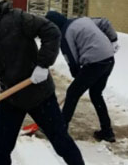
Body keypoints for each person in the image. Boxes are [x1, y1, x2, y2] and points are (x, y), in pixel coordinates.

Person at [0, 2, 85, 165]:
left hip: (40, 95)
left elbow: (51, 31)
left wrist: (43, 64)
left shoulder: (15, 20)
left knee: (62, 143)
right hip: (11, 97)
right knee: (0, 150)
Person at [45, 11, 118, 143]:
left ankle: (61, 131)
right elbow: (105, 22)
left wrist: (77, 75)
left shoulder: (65, 35)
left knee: (72, 93)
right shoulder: (82, 20)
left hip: (95, 63)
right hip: (109, 59)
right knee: (96, 94)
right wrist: (113, 40)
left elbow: (72, 59)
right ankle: (107, 131)